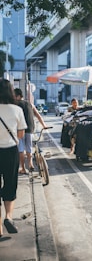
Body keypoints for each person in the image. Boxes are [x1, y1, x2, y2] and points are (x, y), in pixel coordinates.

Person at [0, 79, 27, 236]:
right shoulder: (17, 110)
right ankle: (8, 217)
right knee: (10, 184)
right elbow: (21, 134)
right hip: (10, 151)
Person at [14, 88, 48, 174]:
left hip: (20, 130)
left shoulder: (15, 105)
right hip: (30, 129)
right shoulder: (30, 104)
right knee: (29, 147)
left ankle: (23, 168)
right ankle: (30, 164)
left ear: (17, 96)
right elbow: (38, 116)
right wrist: (44, 125)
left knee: (21, 149)